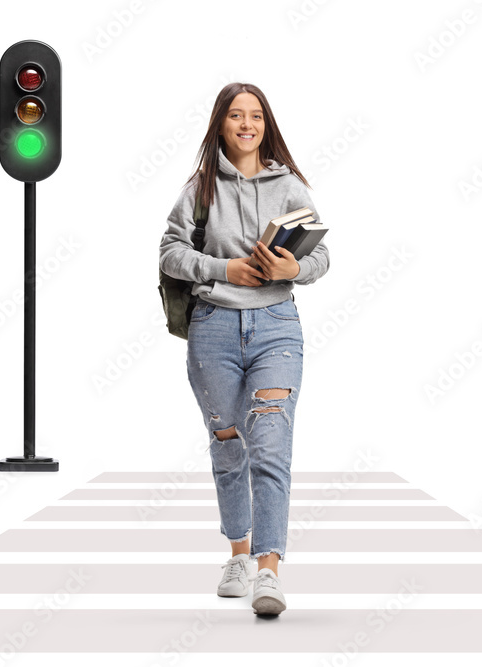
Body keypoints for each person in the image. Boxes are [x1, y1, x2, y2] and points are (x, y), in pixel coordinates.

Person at [158, 82, 330, 615]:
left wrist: (294, 268)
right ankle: (238, 553)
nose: (247, 124)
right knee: (229, 443)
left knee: (271, 441)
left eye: (256, 115)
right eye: (236, 115)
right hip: (213, 327)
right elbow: (169, 252)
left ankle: (268, 569)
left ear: (266, 124)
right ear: (221, 124)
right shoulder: (199, 189)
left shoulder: (289, 187)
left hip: (277, 324)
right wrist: (222, 269)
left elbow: (323, 256)